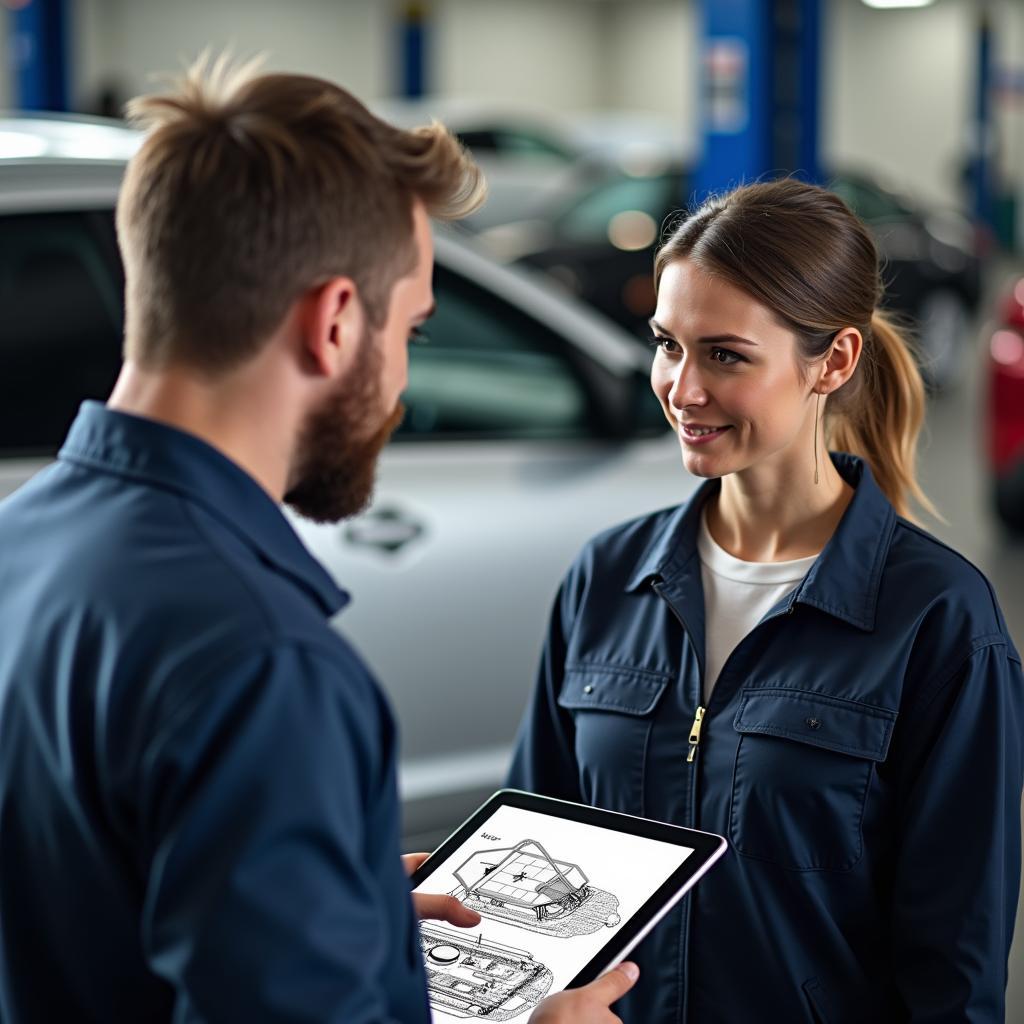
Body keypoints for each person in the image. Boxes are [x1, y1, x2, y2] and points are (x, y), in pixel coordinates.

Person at [0, 58, 638, 1023]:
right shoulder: (262, 664)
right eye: (411, 333)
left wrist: (331, 906)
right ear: (336, 321)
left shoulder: (23, 547)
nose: (401, 390)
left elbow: (79, 899)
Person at [508, 178, 1024, 1023]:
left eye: (726, 355)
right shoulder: (606, 580)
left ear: (835, 360)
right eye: (667, 345)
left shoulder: (937, 621)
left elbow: (954, 971)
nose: (682, 388)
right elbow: (533, 879)